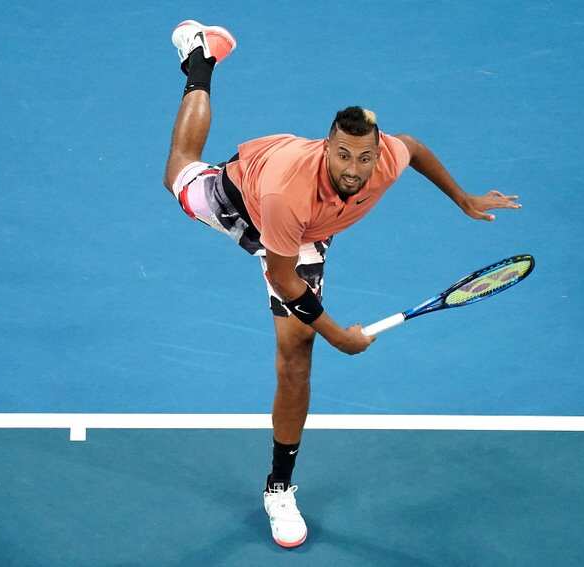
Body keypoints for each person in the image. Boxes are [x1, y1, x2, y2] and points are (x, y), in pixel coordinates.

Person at [163, 19, 522, 548]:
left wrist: (462, 197)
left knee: (295, 353)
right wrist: (339, 335)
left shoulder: (386, 159)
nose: (355, 169)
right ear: (328, 146)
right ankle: (200, 60)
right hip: (248, 199)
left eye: (365, 157)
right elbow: (282, 276)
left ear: (377, 153)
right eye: (344, 155)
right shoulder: (288, 193)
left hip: (307, 230)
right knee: (178, 169)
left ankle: (278, 487)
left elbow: (414, 147)